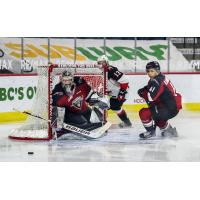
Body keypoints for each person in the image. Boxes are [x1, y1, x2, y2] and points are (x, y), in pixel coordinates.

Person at [52, 70, 109, 137]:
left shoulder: (80, 83)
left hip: (83, 109)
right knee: (82, 121)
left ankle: (91, 127)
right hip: (69, 113)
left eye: (69, 80)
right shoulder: (57, 89)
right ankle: (61, 131)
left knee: (97, 118)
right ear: (61, 79)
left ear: (72, 79)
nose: (67, 82)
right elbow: (56, 105)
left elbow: (89, 97)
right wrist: (58, 123)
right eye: (65, 80)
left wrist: (98, 101)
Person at [138, 61, 182, 139]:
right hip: (170, 106)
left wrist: (143, 93)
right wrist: (144, 89)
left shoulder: (157, 81)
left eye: (152, 71)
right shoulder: (158, 78)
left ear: (157, 71)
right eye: (148, 71)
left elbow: (152, 97)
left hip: (169, 108)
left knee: (144, 113)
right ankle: (171, 132)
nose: (149, 73)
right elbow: (151, 89)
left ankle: (150, 132)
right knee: (159, 120)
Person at [97, 55, 132, 128]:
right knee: (113, 107)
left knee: (108, 105)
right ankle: (127, 123)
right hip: (115, 93)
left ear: (107, 62)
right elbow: (110, 85)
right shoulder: (104, 72)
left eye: (103, 63)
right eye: (99, 63)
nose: (101, 65)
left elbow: (125, 80)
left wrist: (122, 92)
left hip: (121, 93)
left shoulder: (111, 70)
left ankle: (103, 123)